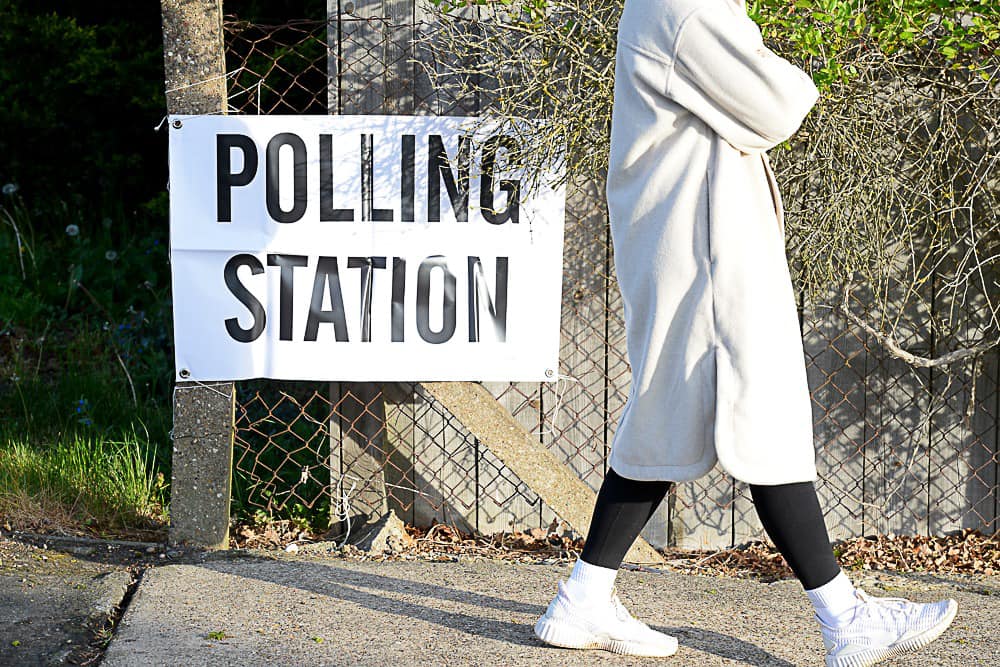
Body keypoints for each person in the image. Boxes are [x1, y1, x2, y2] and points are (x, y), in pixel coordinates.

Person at [533, 0, 959, 665]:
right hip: (708, 258)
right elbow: (776, 105)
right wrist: (786, 71)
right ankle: (845, 617)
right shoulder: (685, 9)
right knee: (762, 419)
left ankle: (584, 595)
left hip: (697, 248)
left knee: (665, 419)